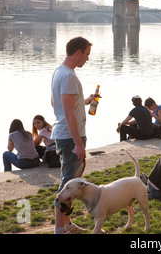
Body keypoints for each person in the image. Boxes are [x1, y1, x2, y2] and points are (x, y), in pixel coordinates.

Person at [51, 36, 98, 234]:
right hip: (71, 137)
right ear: (78, 52)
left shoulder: (59, 72)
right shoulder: (69, 76)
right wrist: (78, 143)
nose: (87, 59)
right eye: (86, 54)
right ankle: (60, 229)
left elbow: (56, 104)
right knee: (68, 185)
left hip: (64, 134)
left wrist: (86, 101)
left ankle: (66, 224)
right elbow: (68, 112)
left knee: (68, 181)